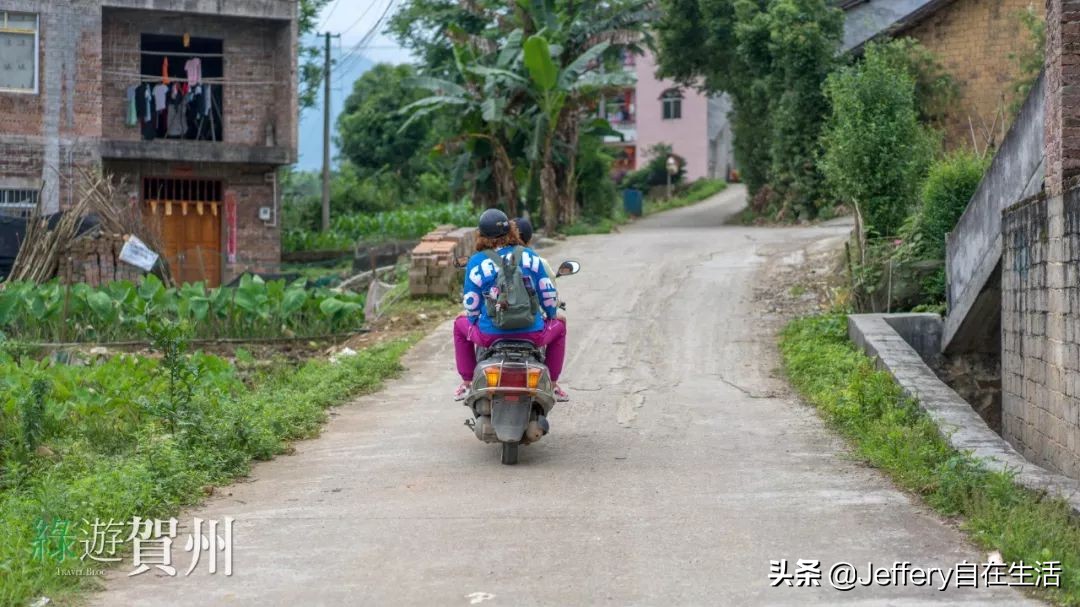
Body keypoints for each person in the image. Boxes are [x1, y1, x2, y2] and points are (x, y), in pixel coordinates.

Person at [454, 209, 568, 401]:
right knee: (561, 326)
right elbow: (547, 293)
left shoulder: (476, 262)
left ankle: (467, 382)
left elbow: (471, 302)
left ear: (481, 235)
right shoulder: (530, 256)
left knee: (459, 325)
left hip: (489, 336)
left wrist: (474, 321)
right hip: (533, 334)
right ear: (512, 231)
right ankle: (554, 384)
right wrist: (551, 314)